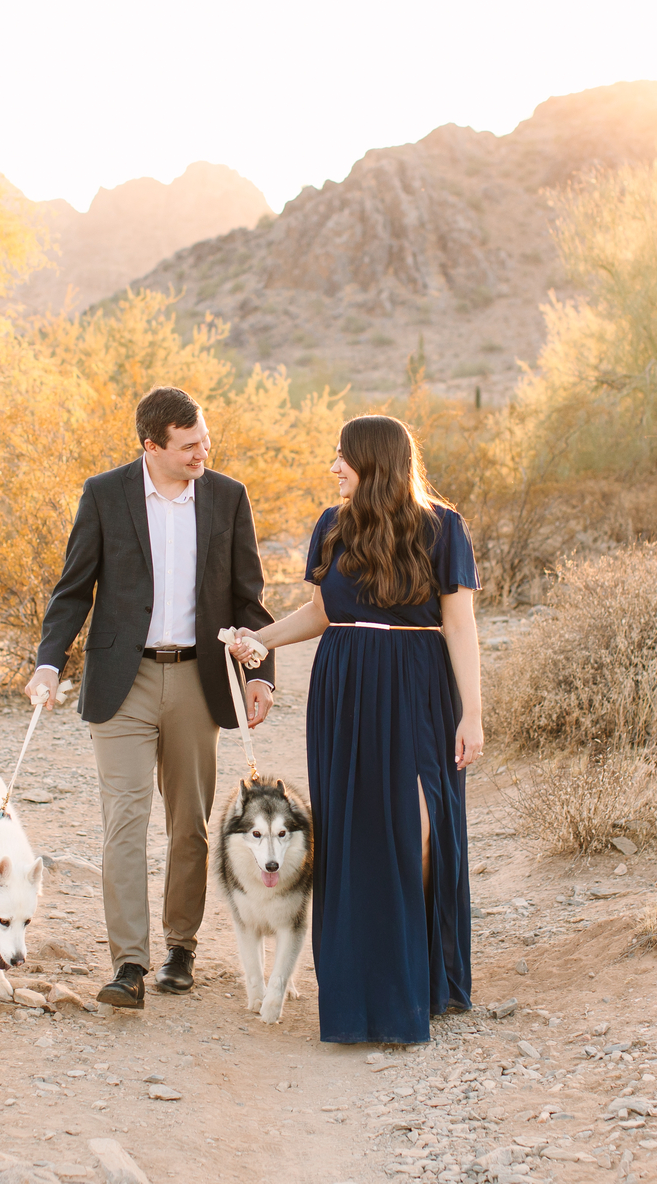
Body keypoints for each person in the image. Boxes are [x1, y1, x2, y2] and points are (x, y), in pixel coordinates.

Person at [226, 414, 480, 1044]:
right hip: (344, 687)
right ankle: (361, 990)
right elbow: (320, 611)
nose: (333, 467)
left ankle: (417, 975)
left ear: (374, 462)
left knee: (421, 827)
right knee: (355, 833)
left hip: (418, 687)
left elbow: (461, 626)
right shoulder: (332, 527)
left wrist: (472, 712)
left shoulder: (443, 527)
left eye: (343, 457)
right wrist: (259, 640)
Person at [26, 386, 275, 1010]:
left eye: (206, 443)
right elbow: (73, 589)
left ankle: (180, 947)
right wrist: (49, 663)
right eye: (189, 446)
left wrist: (260, 673)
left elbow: (250, 596)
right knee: (124, 823)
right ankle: (129, 965)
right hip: (123, 680)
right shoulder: (104, 495)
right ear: (152, 446)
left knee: (188, 826)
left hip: (199, 678)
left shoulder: (228, 497)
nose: (202, 454)